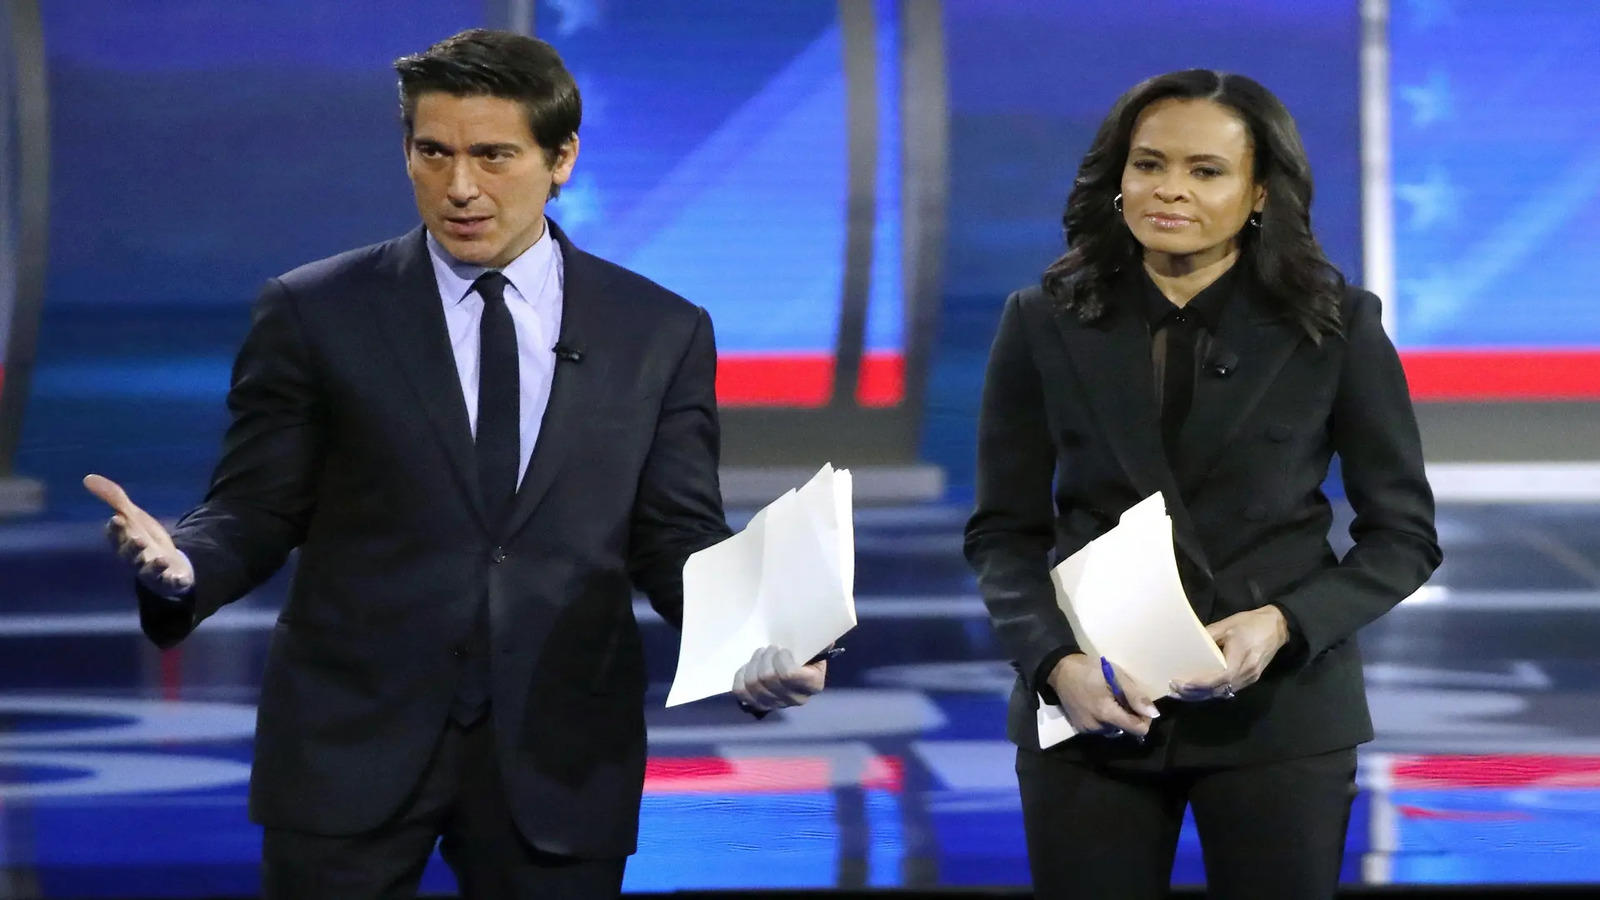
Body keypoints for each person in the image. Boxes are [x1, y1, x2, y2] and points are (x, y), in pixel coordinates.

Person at [85, 29, 826, 900]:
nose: (461, 186)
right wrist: (185, 563)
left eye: (493, 155)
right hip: (348, 744)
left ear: (563, 159)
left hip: (558, 754)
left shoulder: (659, 330)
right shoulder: (315, 310)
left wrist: (748, 640)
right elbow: (256, 504)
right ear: (406, 153)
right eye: (433, 152)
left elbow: (675, 533)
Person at [963, 69, 1442, 899]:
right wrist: (1053, 664)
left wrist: (1285, 624)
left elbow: (1403, 536)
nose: (1169, 190)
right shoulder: (1042, 320)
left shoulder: (1336, 325)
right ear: (1117, 178)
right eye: (1149, 164)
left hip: (1279, 717)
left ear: (1260, 193)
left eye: (1205, 170)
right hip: (1093, 706)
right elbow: (1003, 532)